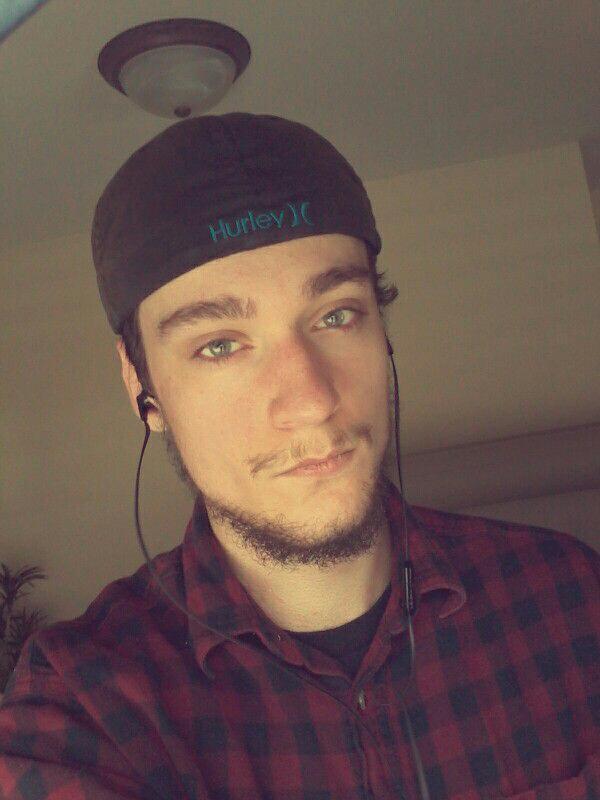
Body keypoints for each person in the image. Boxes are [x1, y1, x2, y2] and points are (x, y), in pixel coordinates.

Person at [0, 113, 597, 800]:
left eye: (335, 316)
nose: (312, 401)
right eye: (220, 345)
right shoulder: (82, 709)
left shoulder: (571, 600)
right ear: (143, 387)